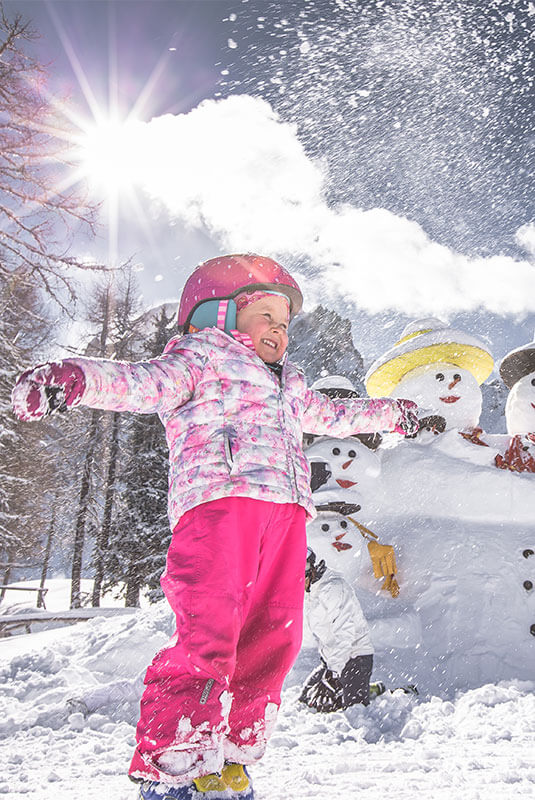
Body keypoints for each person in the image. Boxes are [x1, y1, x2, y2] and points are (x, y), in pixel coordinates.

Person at [11, 254, 419, 800]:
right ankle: (175, 763)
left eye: (283, 322)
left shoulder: (291, 385)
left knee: (276, 637)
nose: (277, 329)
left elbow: (336, 415)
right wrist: (77, 379)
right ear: (221, 316)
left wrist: (395, 415)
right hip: (219, 506)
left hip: (286, 515)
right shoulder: (199, 357)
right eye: (265, 316)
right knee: (210, 635)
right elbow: (140, 384)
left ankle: (230, 757)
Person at [300, 547, 374, 712]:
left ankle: (383, 692)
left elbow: (344, 634)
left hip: (355, 658)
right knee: (306, 700)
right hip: (332, 660)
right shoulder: (311, 589)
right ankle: (362, 688)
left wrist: (333, 676)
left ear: (310, 571)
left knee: (351, 709)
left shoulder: (333, 588)